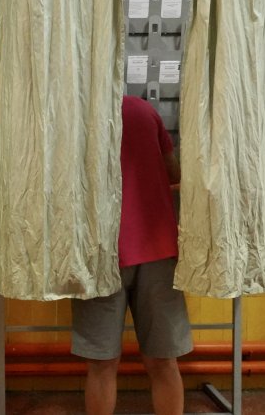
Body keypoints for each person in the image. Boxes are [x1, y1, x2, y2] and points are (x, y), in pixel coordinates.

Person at [71, 95, 191, 415]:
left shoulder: (79, 113)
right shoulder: (143, 109)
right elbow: (173, 172)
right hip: (157, 249)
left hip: (101, 252)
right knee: (163, 361)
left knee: (102, 365)